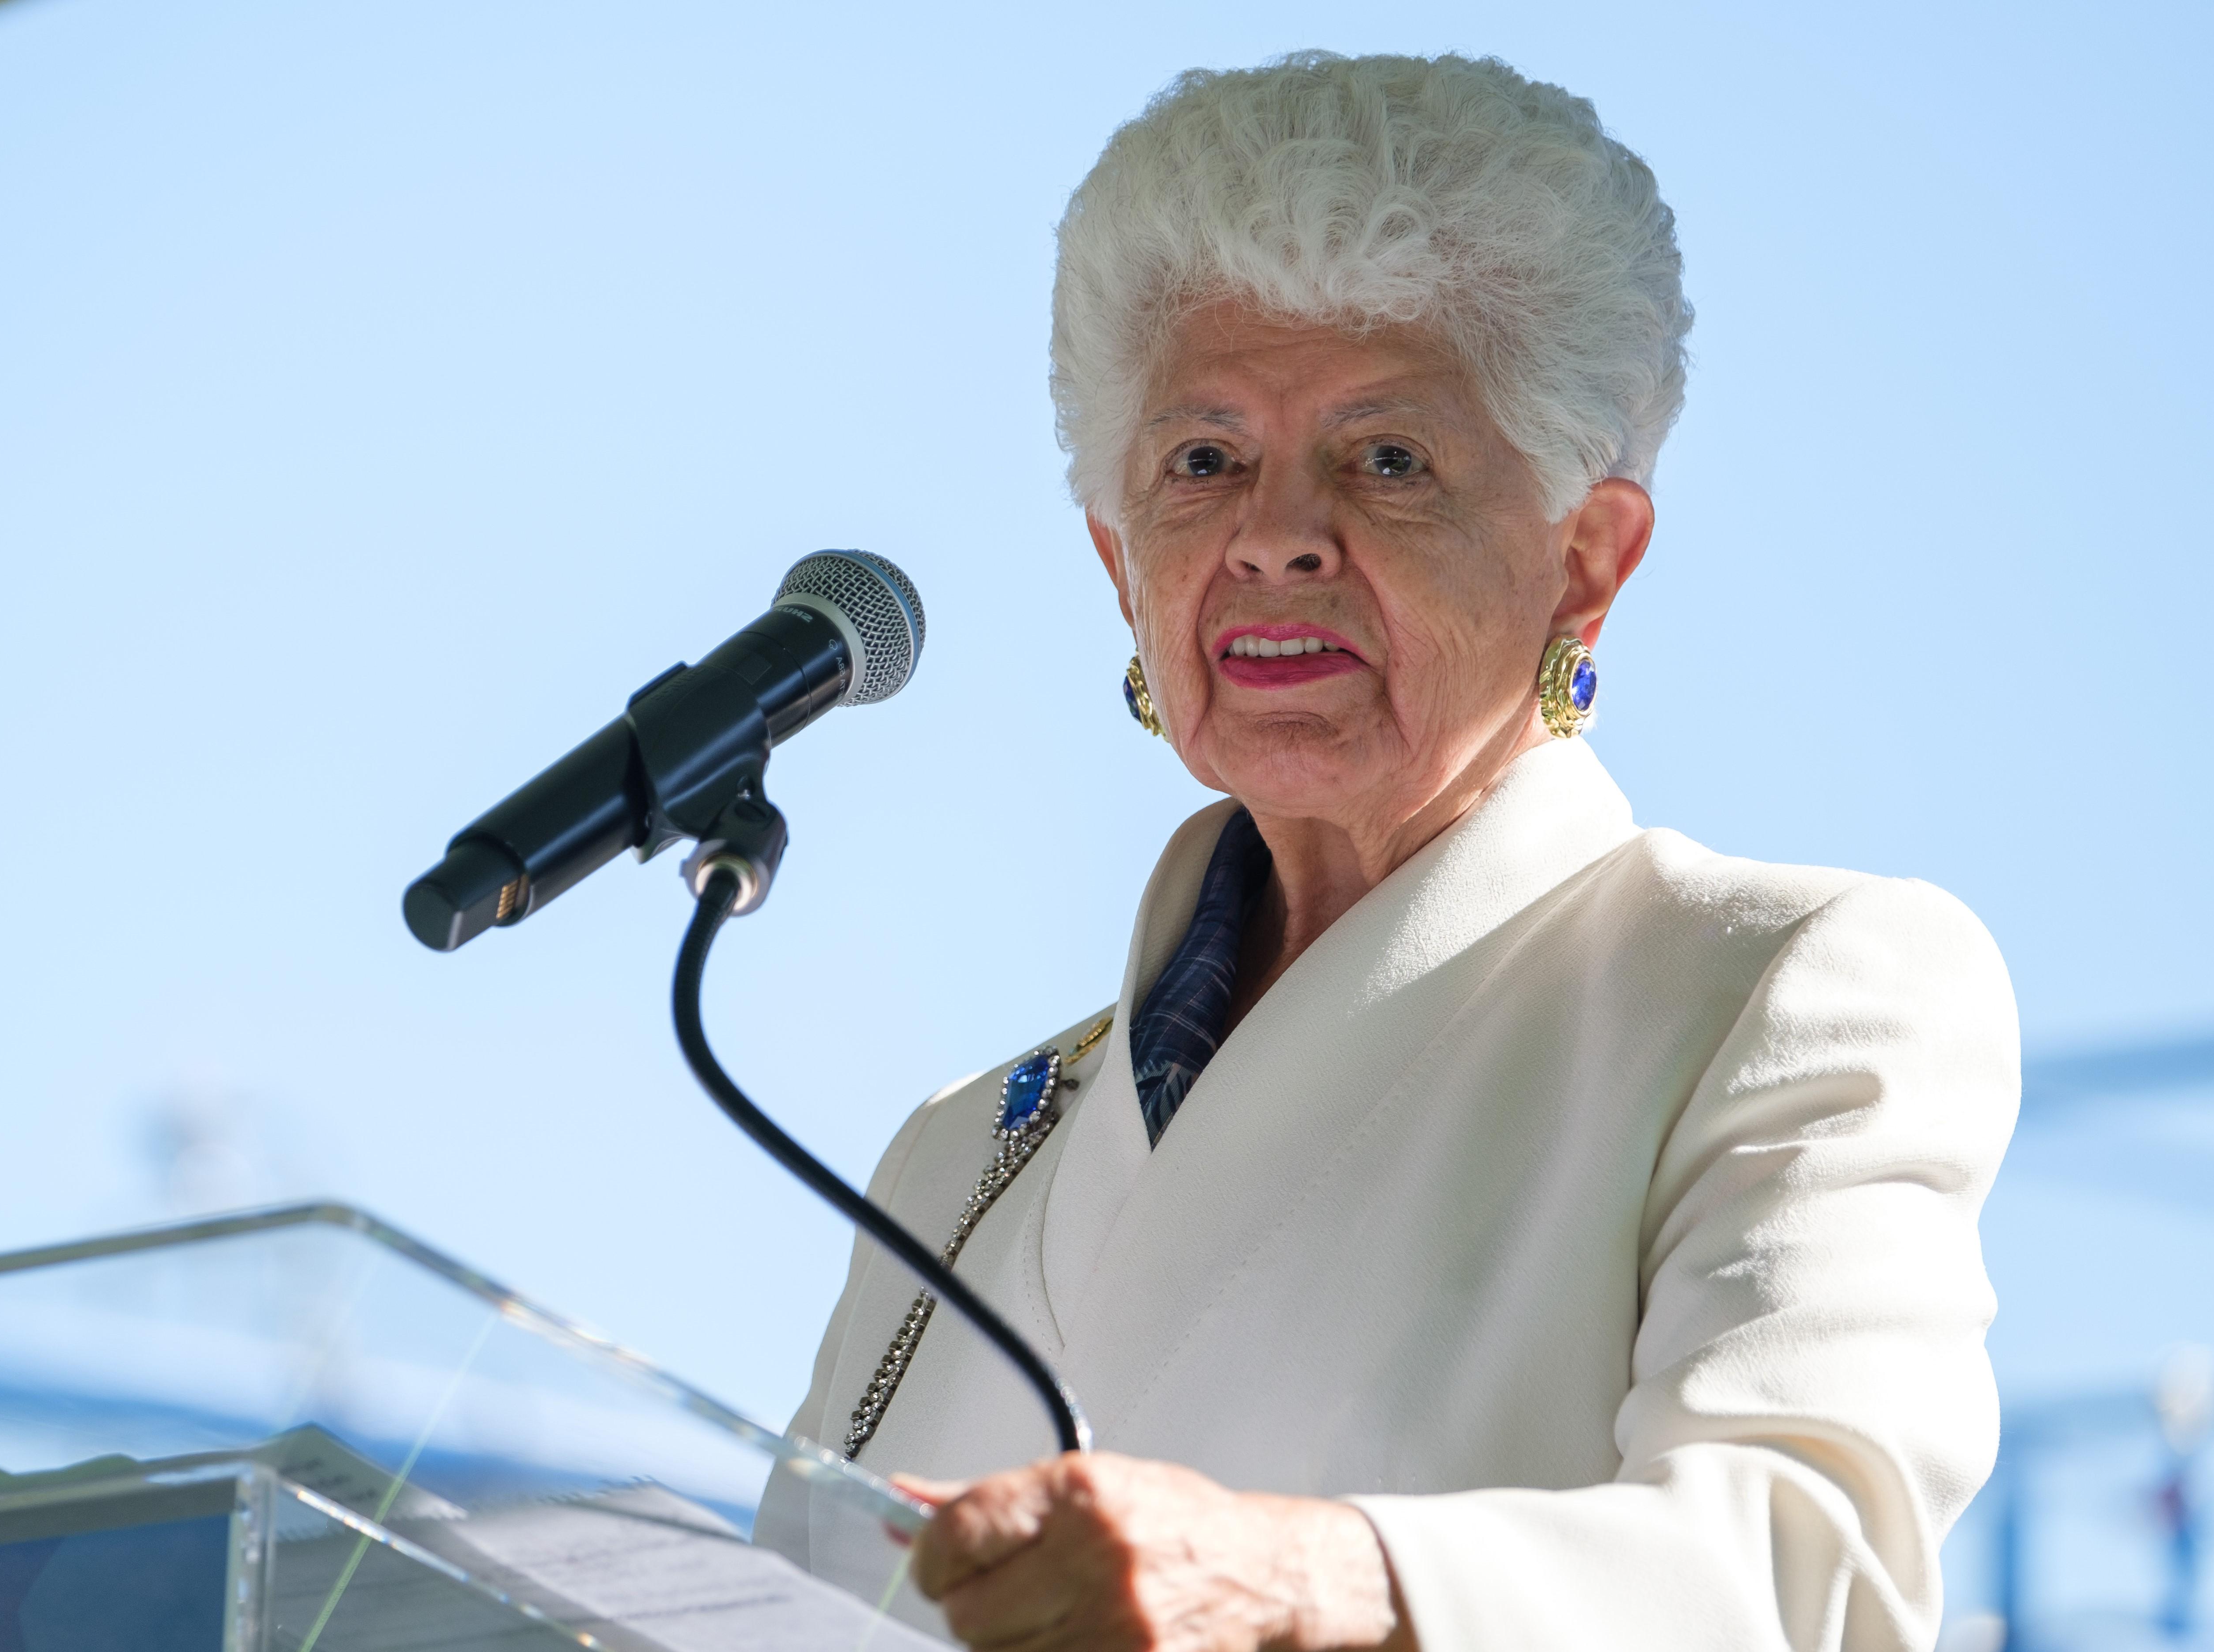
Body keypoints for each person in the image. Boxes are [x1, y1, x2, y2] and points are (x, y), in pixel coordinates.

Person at [769, 51, 2017, 1652]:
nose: (1274, 532)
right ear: (1117, 562)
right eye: (1203, 461)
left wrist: (1306, 1582)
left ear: (1588, 558)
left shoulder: (1780, 992)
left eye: (1388, 459)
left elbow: (1800, 1580)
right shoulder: (962, 1149)